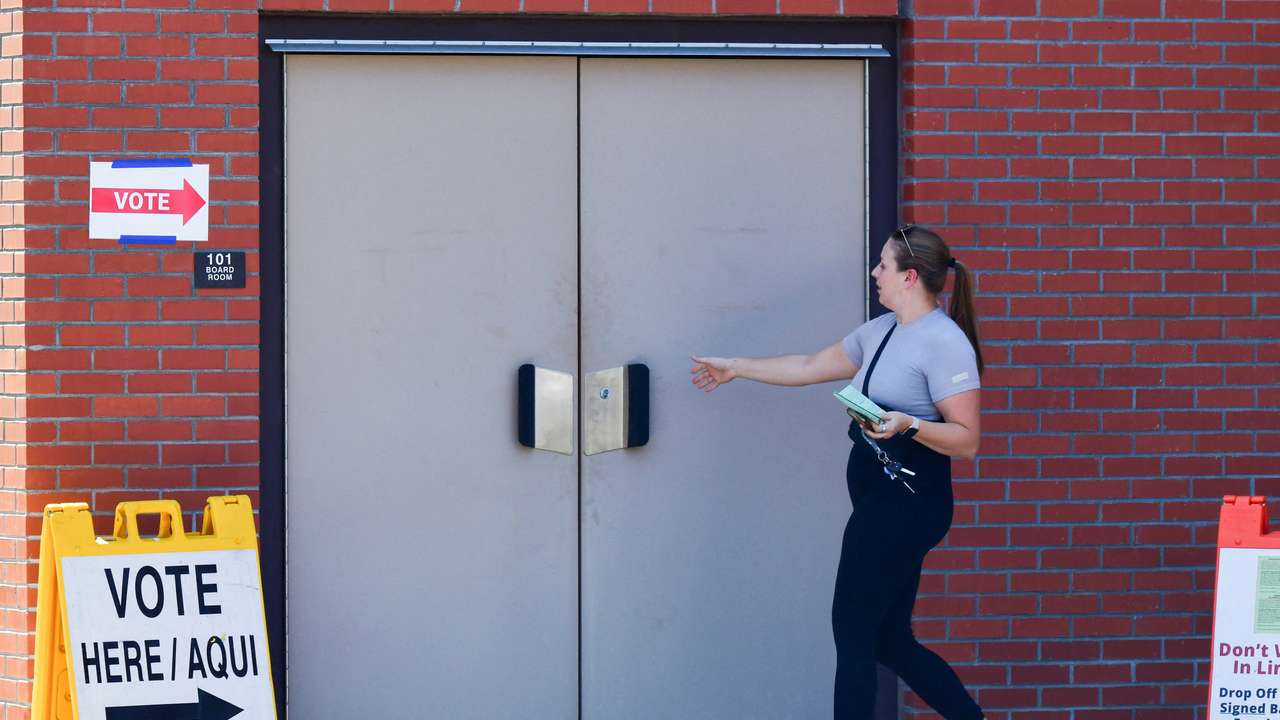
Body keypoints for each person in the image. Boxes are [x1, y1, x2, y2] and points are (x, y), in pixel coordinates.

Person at [690, 225, 986, 720]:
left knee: (851, 631)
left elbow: (968, 440)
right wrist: (736, 367)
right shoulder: (882, 331)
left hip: (907, 504)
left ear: (910, 277)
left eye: (884, 265)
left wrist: (908, 424)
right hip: (879, 499)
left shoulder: (944, 343)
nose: (875, 272)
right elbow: (807, 365)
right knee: (888, 640)